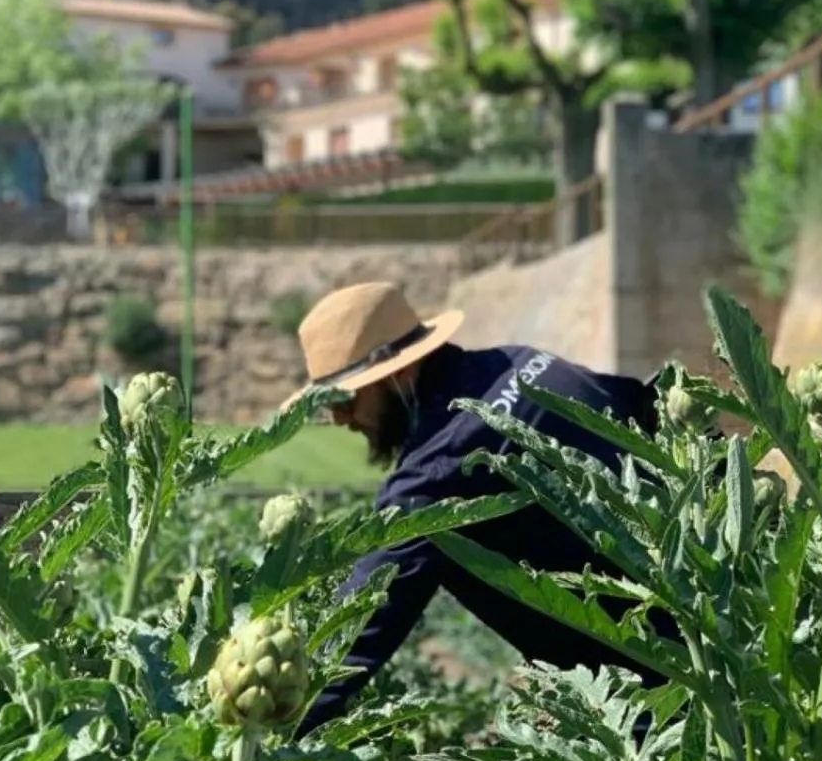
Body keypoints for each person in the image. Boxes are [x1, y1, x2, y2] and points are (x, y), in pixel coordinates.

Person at [291, 281, 681, 737]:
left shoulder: (437, 470)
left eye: (344, 399)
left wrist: (271, 729)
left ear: (398, 370)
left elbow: (359, 626)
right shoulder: (524, 361)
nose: (340, 420)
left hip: (650, 692)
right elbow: (638, 406)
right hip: (717, 615)